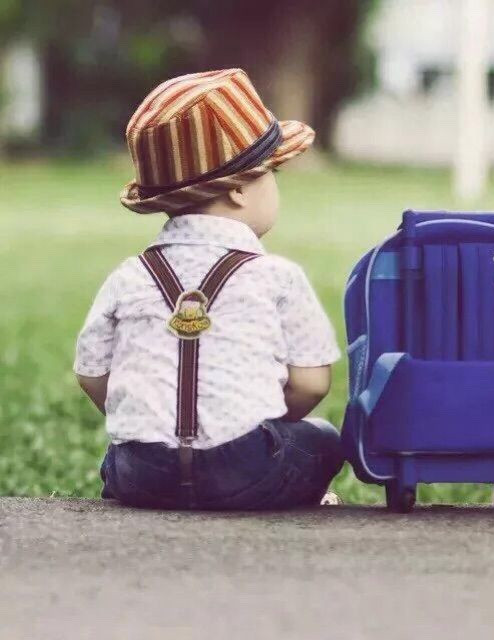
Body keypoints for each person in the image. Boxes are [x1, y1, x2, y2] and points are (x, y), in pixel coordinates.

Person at [74, 69, 343, 509]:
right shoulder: (278, 276)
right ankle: (292, 493)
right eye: (273, 171)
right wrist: (255, 423)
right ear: (238, 190)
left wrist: (151, 421)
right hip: (245, 472)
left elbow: (91, 374)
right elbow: (312, 385)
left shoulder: (128, 275)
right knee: (325, 438)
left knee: (125, 452)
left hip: (140, 475)